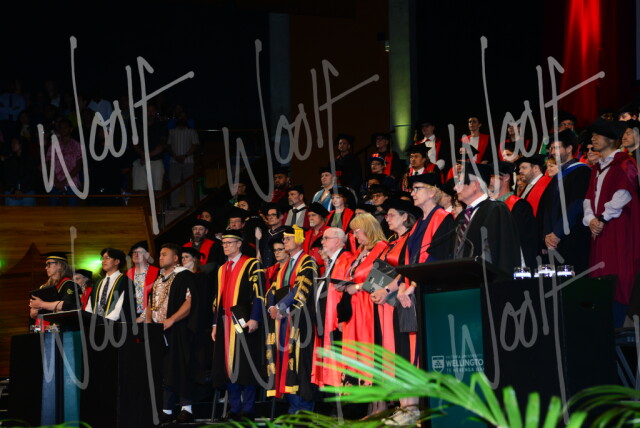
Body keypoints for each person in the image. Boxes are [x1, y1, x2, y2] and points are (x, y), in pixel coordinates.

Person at [370, 199, 422, 426]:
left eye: (391, 214)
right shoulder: (393, 242)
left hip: (403, 299)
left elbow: (405, 270)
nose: (387, 219)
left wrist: (387, 289)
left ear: (405, 217)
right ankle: (403, 407)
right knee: (395, 354)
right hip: (388, 304)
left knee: (407, 353)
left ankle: (412, 409)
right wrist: (375, 289)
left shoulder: (411, 238)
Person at [583, 118, 640, 326]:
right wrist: (591, 219)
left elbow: (624, 194)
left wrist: (602, 218)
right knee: (600, 275)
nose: (593, 139)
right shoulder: (597, 168)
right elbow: (588, 199)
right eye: (592, 135)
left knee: (618, 272)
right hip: (600, 230)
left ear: (611, 139)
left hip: (618, 227)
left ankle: (620, 323)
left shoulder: (625, 163)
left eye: (598, 135)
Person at [212, 230, 265, 421]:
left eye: (229, 242)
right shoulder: (222, 269)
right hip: (225, 324)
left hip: (245, 322)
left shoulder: (252, 264)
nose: (225, 246)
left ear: (239, 244)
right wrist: (214, 324)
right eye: (223, 243)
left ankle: (248, 409)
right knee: (227, 366)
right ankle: (235, 408)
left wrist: (255, 318)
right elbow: (218, 299)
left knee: (246, 365)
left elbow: (259, 293)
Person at [142, 243, 196, 424]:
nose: (160, 257)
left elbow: (190, 301)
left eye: (165, 254)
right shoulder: (159, 279)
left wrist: (172, 319)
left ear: (175, 258)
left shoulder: (184, 276)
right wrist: (148, 322)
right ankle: (166, 409)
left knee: (180, 367)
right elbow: (151, 303)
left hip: (178, 329)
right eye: (160, 254)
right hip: (158, 330)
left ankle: (186, 408)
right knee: (163, 370)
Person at [266, 226, 318, 413]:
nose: (284, 241)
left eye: (288, 238)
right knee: (284, 363)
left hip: (299, 321)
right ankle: (293, 408)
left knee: (299, 364)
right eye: (284, 239)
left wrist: (281, 307)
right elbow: (273, 289)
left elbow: (300, 288)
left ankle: (303, 410)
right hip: (282, 321)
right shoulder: (285, 265)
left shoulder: (308, 261)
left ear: (299, 239)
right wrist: (272, 307)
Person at [341, 214, 389, 395]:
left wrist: (358, 286)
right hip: (356, 307)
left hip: (370, 305)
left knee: (371, 349)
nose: (354, 236)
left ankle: (377, 401)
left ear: (368, 229)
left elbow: (382, 278)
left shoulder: (381, 247)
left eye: (357, 231)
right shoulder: (360, 251)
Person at [452, 163, 521, 273]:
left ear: (475, 185)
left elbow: (503, 253)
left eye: (459, 183)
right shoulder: (462, 216)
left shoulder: (496, 210)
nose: (455, 188)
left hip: (486, 279)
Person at [542, 130, 592, 273]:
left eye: (556, 148)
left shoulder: (582, 172)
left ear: (569, 148)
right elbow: (546, 208)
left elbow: (576, 205)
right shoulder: (556, 177)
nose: (552, 152)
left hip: (573, 237)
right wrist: (547, 235)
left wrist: (557, 233)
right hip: (554, 241)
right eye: (551, 148)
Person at [310, 227, 353, 389]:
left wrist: (342, 318)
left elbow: (346, 292)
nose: (322, 242)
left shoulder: (346, 260)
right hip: (326, 320)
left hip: (337, 321)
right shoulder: (332, 262)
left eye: (326, 238)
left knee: (338, 365)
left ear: (338, 241)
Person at [490, 162, 538, 268]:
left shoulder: (519, 206)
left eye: (492, 176)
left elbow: (527, 243)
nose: (489, 180)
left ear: (506, 177)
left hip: (514, 264)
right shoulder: (489, 206)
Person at [29, 252, 81, 323]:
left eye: (49, 264)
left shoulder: (70, 284)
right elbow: (34, 314)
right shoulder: (44, 287)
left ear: (59, 265)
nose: (46, 268)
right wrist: (33, 313)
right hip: (44, 327)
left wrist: (41, 304)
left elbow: (67, 305)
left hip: (63, 326)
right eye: (46, 265)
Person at [85, 248, 135, 321]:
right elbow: (90, 303)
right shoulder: (99, 282)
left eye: (107, 258)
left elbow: (119, 308)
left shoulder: (125, 282)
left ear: (117, 261)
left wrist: (104, 322)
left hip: (114, 324)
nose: (103, 261)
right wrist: (87, 319)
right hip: (95, 324)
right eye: (103, 258)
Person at [45, 118, 83, 206]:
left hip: (72, 182)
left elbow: (78, 166)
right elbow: (50, 165)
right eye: (61, 128)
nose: (63, 129)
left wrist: (64, 182)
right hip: (55, 181)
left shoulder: (77, 145)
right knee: (54, 210)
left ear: (71, 129)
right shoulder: (53, 145)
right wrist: (56, 182)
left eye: (65, 127)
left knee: (72, 211)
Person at [132, 104, 168, 194]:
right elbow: (134, 143)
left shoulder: (161, 125)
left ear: (156, 112)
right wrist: (142, 155)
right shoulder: (137, 126)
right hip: (140, 161)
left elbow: (162, 145)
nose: (151, 113)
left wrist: (147, 156)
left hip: (156, 161)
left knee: (157, 191)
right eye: (148, 111)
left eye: (152, 111)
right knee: (140, 192)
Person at [167, 111, 200, 209]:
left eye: (183, 117)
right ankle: (174, 205)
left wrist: (184, 156)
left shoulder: (191, 131)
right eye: (180, 117)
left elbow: (195, 145)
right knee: (174, 184)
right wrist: (175, 156)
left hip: (188, 161)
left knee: (188, 184)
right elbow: (168, 146)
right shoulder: (171, 132)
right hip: (174, 161)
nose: (181, 119)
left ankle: (190, 205)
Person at [126, 241, 160, 317]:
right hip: (132, 314)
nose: (136, 254)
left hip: (150, 314)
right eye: (134, 252)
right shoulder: (128, 273)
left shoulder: (157, 272)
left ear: (147, 255)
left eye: (140, 252)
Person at [3, 137, 37, 206]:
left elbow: (32, 177)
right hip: (12, 191)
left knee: (28, 200)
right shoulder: (8, 160)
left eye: (15, 143)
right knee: (12, 202)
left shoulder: (30, 159)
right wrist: (14, 190)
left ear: (21, 144)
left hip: (27, 191)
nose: (12, 145)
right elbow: (6, 178)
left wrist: (22, 190)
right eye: (12, 143)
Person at [303, 203, 330, 274]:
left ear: (321, 216)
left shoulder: (330, 232)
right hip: (308, 271)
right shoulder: (306, 234)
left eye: (314, 215)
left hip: (325, 271)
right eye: (309, 216)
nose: (311, 218)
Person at [258, 203, 286, 268]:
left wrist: (272, 270)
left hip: (279, 269)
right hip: (264, 270)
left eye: (273, 215)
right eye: (268, 215)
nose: (270, 217)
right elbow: (259, 255)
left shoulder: (286, 234)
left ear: (281, 216)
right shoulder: (264, 234)